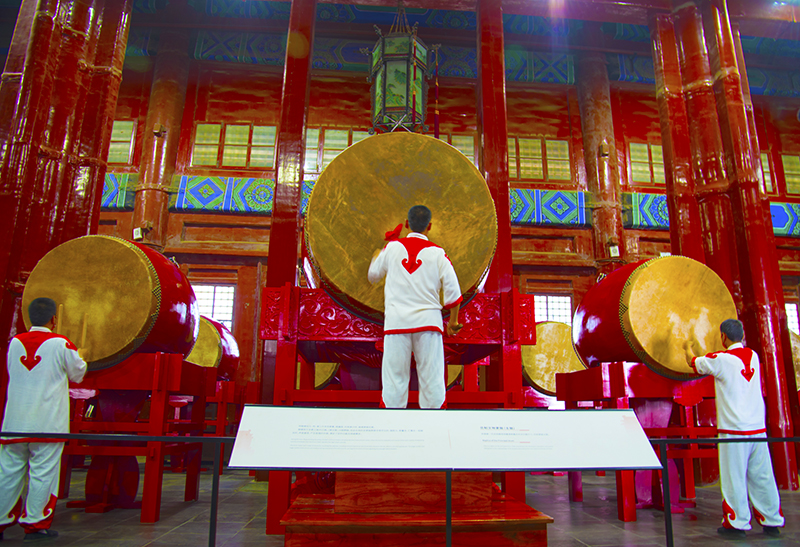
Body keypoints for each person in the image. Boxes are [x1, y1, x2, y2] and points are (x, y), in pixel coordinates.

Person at [684, 319, 784, 539]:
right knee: (763, 476)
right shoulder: (753, 356)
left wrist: (687, 346)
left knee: (734, 477)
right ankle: (772, 521)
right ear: (742, 335)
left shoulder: (722, 359)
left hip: (733, 431)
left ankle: (736, 523)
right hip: (757, 429)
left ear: (723, 337)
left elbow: (693, 362)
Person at [0, 297, 87, 542]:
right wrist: (82, 357)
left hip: (15, 420)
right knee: (43, 472)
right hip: (47, 422)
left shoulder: (15, 343)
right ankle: (35, 523)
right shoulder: (61, 343)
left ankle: (1, 521)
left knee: (8, 472)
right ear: (53, 319)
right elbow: (77, 373)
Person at [368, 205, 463, 409]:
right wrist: (453, 322)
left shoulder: (392, 247)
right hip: (429, 323)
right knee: (432, 376)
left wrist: (377, 255)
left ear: (406, 223)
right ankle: (433, 422)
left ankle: (392, 422)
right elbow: (453, 290)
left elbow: (373, 275)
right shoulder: (438, 253)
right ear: (429, 226)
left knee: (395, 377)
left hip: (396, 323)